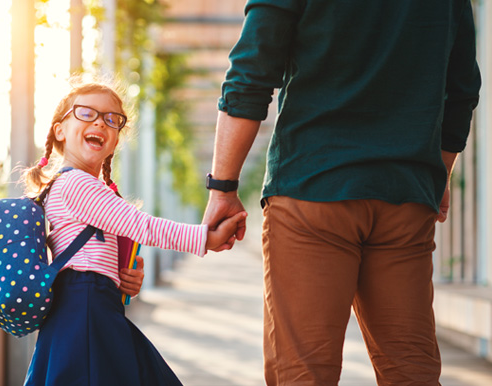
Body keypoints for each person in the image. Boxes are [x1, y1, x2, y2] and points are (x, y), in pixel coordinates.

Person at [203, 1, 481, 385]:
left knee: (304, 371)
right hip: (405, 197)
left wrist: (222, 188)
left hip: (313, 189)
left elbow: (250, 75)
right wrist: (438, 175)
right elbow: (462, 91)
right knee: (410, 369)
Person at [21, 80, 246, 386]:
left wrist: (120, 278)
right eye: (86, 113)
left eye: (112, 119)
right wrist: (206, 237)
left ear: (114, 141)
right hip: (85, 312)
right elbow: (142, 226)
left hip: (84, 309)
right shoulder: (76, 184)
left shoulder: (72, 185)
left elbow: (87, 256)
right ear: (60, 131)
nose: (100, 121)